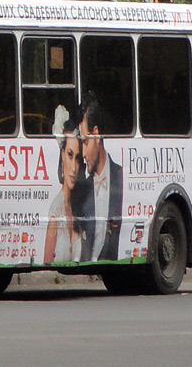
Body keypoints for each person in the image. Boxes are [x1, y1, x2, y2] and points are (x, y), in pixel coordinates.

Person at [70, 91, 124, 262]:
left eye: (85, 142)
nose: (83, 153)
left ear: (97, 134)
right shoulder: (81, 189)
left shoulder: (121, 177)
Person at [43, 116, 82, 264]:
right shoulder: (55, 212)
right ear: (62, 155)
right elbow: (46, 263)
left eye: (78, 159)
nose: (73, 168)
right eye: (70, 155)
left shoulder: (80, 206)